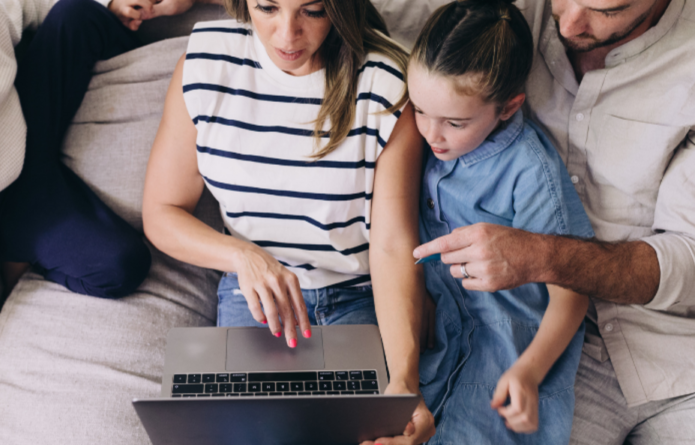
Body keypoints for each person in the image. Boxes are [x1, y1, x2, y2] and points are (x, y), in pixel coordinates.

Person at [142, 0, 435, 442]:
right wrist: (243, 256)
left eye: (312, 11)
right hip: (255, 297)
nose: (286, 35)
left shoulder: (387, 84)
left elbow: (393, 247)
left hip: (354, 299)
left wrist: (404, 384)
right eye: (267, 7)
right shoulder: (205, 65)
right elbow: (162, 213)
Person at [410, 0, 695, 442]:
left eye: (606, 9)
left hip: (669, 354)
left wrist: (543, 256)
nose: (570, 21)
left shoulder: (528, 167)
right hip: (534, 351)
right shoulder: (499, 22)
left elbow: (688, 255)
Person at [0, 0, 168, 359]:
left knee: (78, 12)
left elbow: (27, 5)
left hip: (21, 121)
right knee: (122, 266)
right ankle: (17, 255)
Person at [397, 1, 593, 443]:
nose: (432, 133)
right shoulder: (425, 137)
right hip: (437, 332)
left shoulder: (529, 170)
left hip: (505, 345)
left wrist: (528, 371)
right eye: (420, 109)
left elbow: (573, 292)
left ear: (508, 108)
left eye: (455, 122)